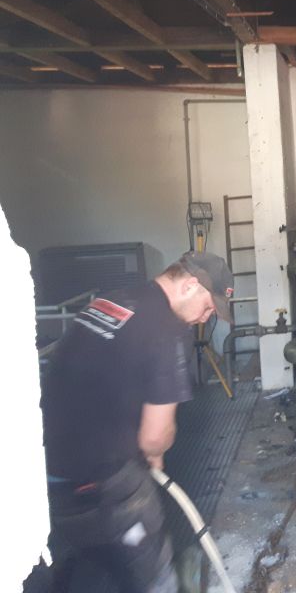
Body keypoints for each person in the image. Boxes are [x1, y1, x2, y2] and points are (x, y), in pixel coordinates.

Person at [40, 251, 234, 593]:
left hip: (50, 477)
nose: (205, 318)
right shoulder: (168, 329)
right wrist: (157, 454)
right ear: (190, 285)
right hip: (105, 484)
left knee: (82, 571)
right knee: (154, 577)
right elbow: (154, 437)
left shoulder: (110, 302)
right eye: (208, 307)